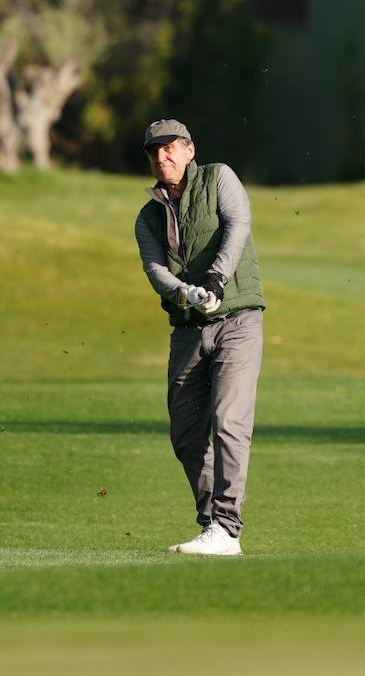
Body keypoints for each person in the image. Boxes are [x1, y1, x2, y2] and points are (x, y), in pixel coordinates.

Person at [134, 118, 265, 556]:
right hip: (189, 328)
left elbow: (237, 226)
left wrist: (214, 279)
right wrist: (184, 291)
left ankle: (227, 526)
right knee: (187, 435)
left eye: (170, 148)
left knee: (229, 420)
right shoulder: (148, 216)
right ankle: (213, 523)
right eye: (154, 151)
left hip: (238, 320)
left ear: (190, 150)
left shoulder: (218, 177)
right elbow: (155, 270)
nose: (161, 156)